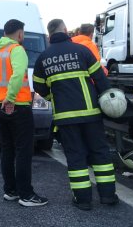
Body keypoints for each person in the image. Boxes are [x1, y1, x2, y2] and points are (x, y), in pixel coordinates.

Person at [33, 19, 118, 211]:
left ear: (49, 34)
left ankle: (83, 200)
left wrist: (52, 96)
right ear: (65, 30)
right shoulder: (82, 51)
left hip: (65, 117)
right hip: (91, 114)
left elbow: (38, 86)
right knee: (100, 154)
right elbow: (101, 80)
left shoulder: (43, 58)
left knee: (76, 157)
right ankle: (108, 197)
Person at [0, 19, 48, 207]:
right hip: (16, 106)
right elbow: (18, 75)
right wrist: (10, 97)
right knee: (23, 151)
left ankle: (10, 191)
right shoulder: (17, 50)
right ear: (19, 34)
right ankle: (26, 195)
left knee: (7, 149)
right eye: (23, 34)